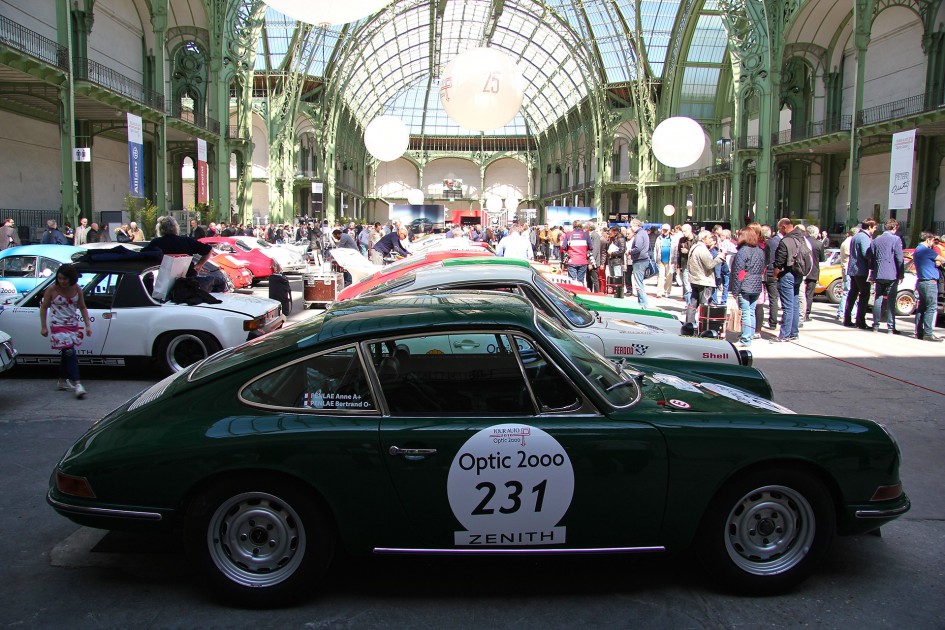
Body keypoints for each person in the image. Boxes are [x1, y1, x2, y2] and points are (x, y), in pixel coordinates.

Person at [39, 263, 91, 399]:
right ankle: (78, 383)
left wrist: (87, 325)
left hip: (73, 325)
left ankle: (62, 380)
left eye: (65, 279)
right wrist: (43, 326)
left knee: (66, 353)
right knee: (69, 351)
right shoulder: (51, 290)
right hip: (58, 325)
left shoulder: (77, 289)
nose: (62, 281)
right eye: (60, 278)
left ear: (71, 279)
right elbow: (44, 307)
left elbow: (82, 307)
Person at [143, 216, 216, 291]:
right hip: (188, 282)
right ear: (176, 227)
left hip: (164, 285)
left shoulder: (156, 243)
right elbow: (209, 250)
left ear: (160, 229)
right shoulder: (187, 241)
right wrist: (199, 265)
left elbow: (142, 256)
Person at [772, 218, 809, 342]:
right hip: (798, 274)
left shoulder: (785, 241)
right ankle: (794, 332)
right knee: (794, 304)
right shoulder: (801, 239)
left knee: (787, 306)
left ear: (783, 227)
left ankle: (784, 334)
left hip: (787, 274)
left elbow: (779, 262)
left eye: (780, 229)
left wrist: (775, 275)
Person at [730, 227, 766, 347]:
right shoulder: (760, 251)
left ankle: (745, 338)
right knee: (751, 311)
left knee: (745, 312)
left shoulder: (743, 251)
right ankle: (749, 334)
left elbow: (738, 272)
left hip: (745, 284)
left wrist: (735, 290)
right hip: (756, 283)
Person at [870, 219, 904, 334]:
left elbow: (872, 259)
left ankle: (875, 325)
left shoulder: (876, 240)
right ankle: (890, 327)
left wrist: (872, 274)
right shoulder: (896, 239)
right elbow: (900, 259)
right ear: (894, 228)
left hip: (879, 273)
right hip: (891, 274)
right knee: (891, 301)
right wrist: (901, 274)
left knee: (877, 299)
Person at [843, 218, 877, 329]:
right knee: (864, 295)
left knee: (852, 294)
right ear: (870, 227)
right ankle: (860, 321)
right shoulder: (864, 237)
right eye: (874, 228)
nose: (875, 230)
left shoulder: (856, 236)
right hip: (861, 270)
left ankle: (847, 318)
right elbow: (866, 253)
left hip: (853, 269)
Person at [686, 231, 726, 325]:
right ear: (703, 238)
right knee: (704, 305)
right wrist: (720, 257)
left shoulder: (694, 247)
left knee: (693, 303)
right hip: (703, 281)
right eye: (709, 237)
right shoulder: (702, 249)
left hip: (695, 279)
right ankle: (703, 325)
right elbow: (710, 264)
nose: (711, 239)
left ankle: (689, 323)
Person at [912, 231, 944, 341]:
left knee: (921, 308)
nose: (932, 243)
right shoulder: (926, 250)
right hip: (929, 282)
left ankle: (919, 332)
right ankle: (928, 333)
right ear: (928, 239)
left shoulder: (917, 250)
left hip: (921, 281)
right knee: (931, 308)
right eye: (932, 241)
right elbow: (942, 259)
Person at [628, 218, 651, 309]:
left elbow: (638, 248)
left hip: (639, 261)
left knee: (638, 284)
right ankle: (641, 303)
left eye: (631, 226)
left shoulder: (639, 235)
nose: (630, 228)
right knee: (639, 283)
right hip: (643, 259)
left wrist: (629, 251)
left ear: (635, 226)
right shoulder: (644, 233)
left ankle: (644, 304)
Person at [836, 227, 857, 320]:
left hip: (845, 268)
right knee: (848, 291)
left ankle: (844, 312)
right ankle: (842, 312)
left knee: (847, 290)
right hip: (848, 268)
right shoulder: (850, 243)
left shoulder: (846, 242)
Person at [605, 225, 627, 298]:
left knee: (618, 278)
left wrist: (612, 253)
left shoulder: (621, 239)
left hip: (617, 261)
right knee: (612, 278)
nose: (609, 233)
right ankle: (613, 292)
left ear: (615, 232)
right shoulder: (612, 240)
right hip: (611, 261)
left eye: (610, 232)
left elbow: (622, 251)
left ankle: (619, 293)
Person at [676, 224, 695, 306]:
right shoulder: (682, 240)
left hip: (694, 265)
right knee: (687, 286)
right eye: (682, 231)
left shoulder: (696, 239)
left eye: (685, 231)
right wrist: (678, 265)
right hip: (685, 264)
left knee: (693, 286)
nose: (683, 233)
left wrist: (688, 251)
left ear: (690, 230)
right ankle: (688, 305)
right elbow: (678, 253)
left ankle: (694, 305)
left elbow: (698, 252)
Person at [653, 223, 673, 297]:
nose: (664, 231)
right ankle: (659, 292)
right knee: (661, 276)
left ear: (669, 230)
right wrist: (656, 258)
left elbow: (675, 250)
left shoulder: (673, 239)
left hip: (670, 261)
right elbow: (656, 249)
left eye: (666, 230)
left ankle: (667, 291)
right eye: (663, 230)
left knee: (669, 276)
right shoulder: (659, 238)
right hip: (660, 260)